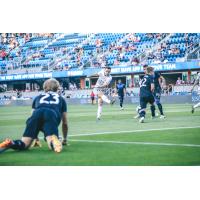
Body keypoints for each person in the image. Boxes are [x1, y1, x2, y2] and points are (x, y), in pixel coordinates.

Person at [0, 78, 68, 154]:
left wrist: (35, 136)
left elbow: (32, 117)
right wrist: (65, 139)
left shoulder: (38, 97)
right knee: (51, 142)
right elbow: (65, 122)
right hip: (51, 114)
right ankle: (54, 141)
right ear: (57, 88)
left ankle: (11, 143)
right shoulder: (61, 99)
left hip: (37, 113)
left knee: (24, 144)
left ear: (44, 87)